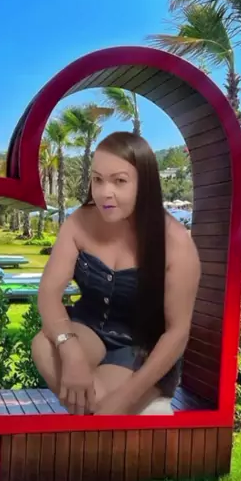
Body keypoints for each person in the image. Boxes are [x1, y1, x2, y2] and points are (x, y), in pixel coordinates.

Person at [32, 131, 201, 415]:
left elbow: (177, 333)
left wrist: (124, 398)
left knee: (100, 404)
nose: (104, 193)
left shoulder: (175, 242)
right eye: (97, 180)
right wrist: (70, 352)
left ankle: (124, 411)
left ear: (144, 184)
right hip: (86, 330)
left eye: (119, 181)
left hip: (140, 348)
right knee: (43, 346)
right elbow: (49, 293)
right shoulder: (79, 222)